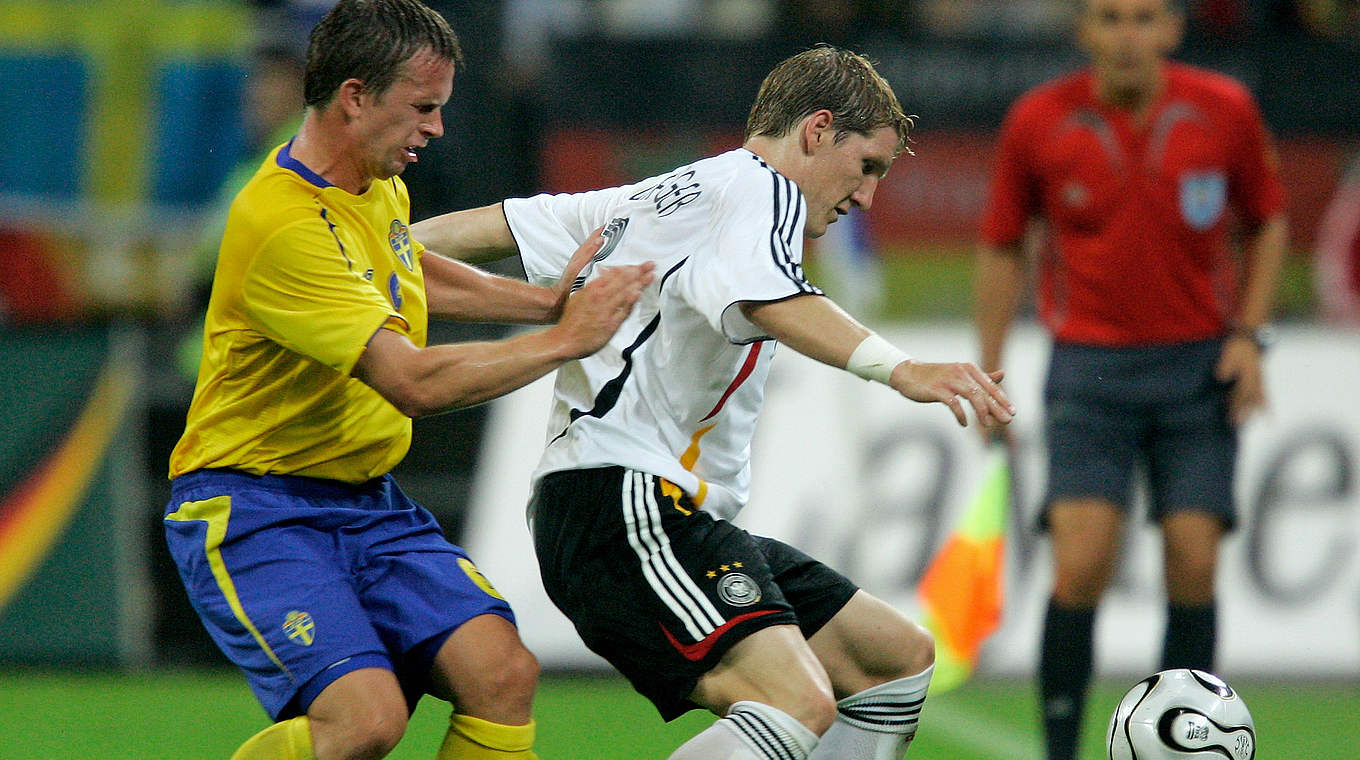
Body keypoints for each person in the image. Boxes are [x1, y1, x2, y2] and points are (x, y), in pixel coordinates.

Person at [411, 45, 1016, 760]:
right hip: (624, 501)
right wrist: (903, 369)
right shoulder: (762, 190)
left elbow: (460, 234)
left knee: (893, 660)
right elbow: (773, 301)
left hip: (648, 510)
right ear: (817, 131)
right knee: (791, 702)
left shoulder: (655, 197)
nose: (866, 197)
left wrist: (358, 249)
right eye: (868, 167)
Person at [162, 1, 653, 759]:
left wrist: (542, 300)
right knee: (365, 723)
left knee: (502, 674)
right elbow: (412, 382)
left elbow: (403, 267)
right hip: (256, 507)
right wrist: (564, 339)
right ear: (355, 96)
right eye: (423, 107)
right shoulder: (283, 222)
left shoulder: (372, 179)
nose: (437, 128)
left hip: (365, 502)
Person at [973, 1, 1288, 758]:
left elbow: (1268, 220)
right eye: (1110, 18)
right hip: (1089, 367)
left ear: (1173, 31)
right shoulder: (1038, 120)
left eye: (1145, 18)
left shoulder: (1225, 110)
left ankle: (1182, 745)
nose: (1127, 36)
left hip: (1198, 365)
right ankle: (1060, 750)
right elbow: (1002, 244)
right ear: (1083, 31)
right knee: (1079, 564)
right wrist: (988, 368)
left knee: (1194, 557)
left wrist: (1249, 335)